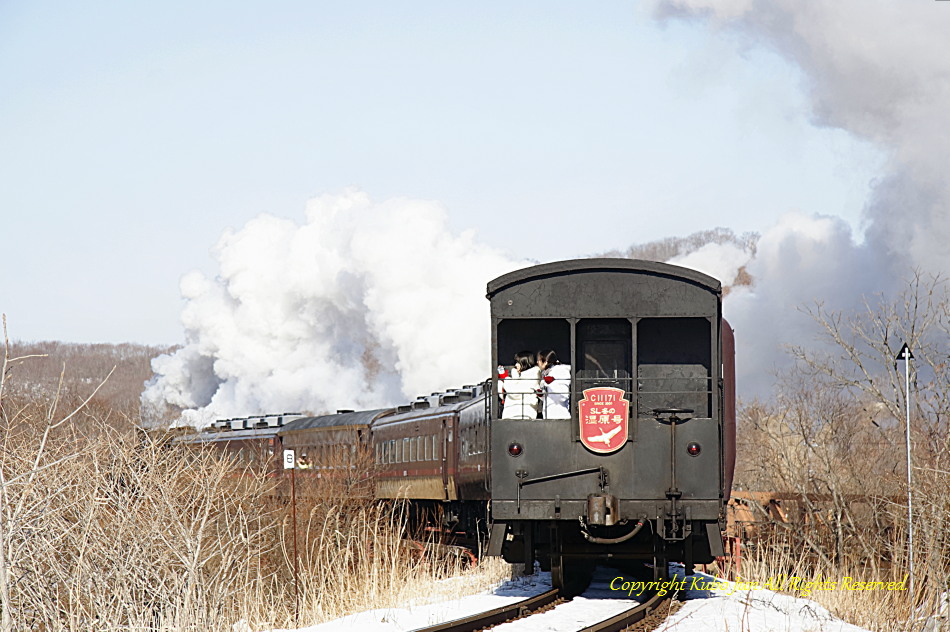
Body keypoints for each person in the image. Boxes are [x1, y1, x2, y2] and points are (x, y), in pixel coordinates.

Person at [501, 350, 541, 419]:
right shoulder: (520, 377)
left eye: (518, 363)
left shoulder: (532, 376)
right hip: (516, 415)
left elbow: (514, 392)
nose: (516, 365)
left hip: (523, 415)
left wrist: (506, 379)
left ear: (525, 362)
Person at [537, 349, 571, 419]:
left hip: (559, 416)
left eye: (539, 360)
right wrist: (541, 395)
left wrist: (550, 383)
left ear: (545, 362)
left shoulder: (561, 371)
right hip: (548, 415)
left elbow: (563, 397)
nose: (537, 362)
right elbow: (551, 397)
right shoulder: (546, 373)